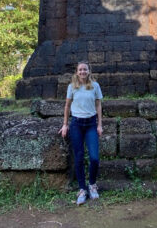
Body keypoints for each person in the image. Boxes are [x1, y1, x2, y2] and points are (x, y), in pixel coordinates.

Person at [59, 61, 103, 205]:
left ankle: (92, 184)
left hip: (91, 124)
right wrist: (65, 125)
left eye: (85, 69)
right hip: (76, 124)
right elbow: (67, 106)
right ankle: (82, 189)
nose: (83, 72)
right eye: (80, 70)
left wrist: (99, 125)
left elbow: (98, 105)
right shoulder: (72, 87)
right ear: (77, 72)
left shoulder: (95, 86)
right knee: (78, 158)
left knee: (94, 157)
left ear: (89, 71)